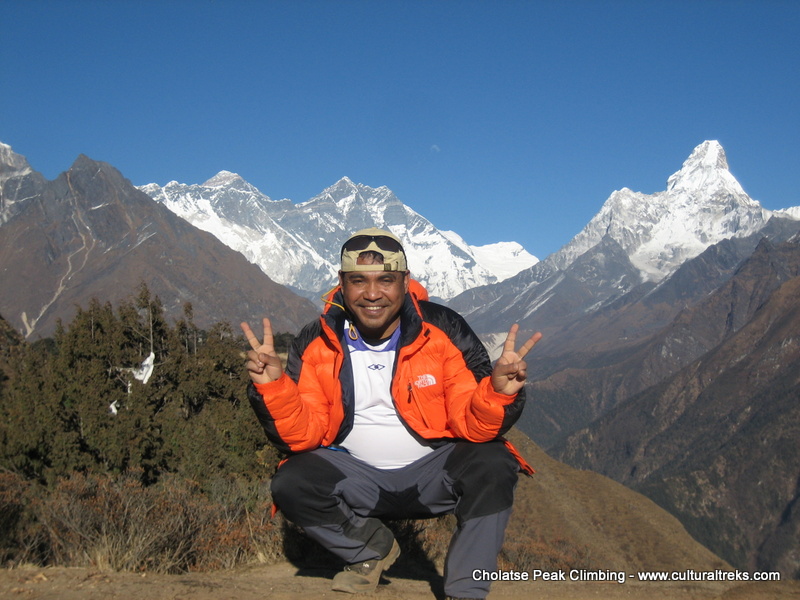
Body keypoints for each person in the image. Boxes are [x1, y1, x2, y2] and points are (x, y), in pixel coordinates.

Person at [241, 228, 541, 600]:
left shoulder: (443, 330)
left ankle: (465, 590)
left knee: (493, 462)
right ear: (341, 284)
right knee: (293, 481)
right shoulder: (317, 341)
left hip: (435, 473)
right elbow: (303, 435)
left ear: (404, 282)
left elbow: (471, 424)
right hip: (356, 477)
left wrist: (497, 393)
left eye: (386, 280)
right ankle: (370, 550)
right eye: (358, 281)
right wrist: (273, 387)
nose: (372, 294)